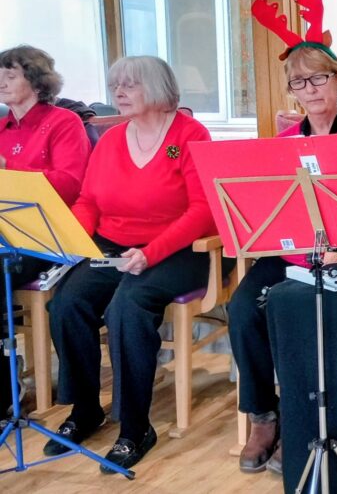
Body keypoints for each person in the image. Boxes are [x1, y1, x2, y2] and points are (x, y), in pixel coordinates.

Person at [44, 56, 216, 473]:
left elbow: (203, 210)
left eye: (129, 85)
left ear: (157, 88)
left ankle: (136, 427)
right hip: (113, 244)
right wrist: (77, 242)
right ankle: (86, 409)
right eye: (115, 85)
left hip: (179, 248)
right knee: (66, 303)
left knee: (127, 307)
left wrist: (151, 252)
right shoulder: (113, 139)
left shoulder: (189, 136)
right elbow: (89, 201)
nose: (118, 93)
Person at [231, 0, 337, 474]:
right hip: (290, 254)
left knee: (301, 315)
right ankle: (263, 416)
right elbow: (266, 208)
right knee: (242, 308)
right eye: (299, 83)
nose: (310, 91)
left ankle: (307, 424)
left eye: (318, 80)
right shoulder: (284, 141)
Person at [0, 45, 90, 412]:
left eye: (11, 75)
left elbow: (71, 183)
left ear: (36, 81)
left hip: (48, 235)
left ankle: (7, 392)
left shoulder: (63, 122)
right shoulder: (1, 126)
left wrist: (9, 170)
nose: (1, 82)